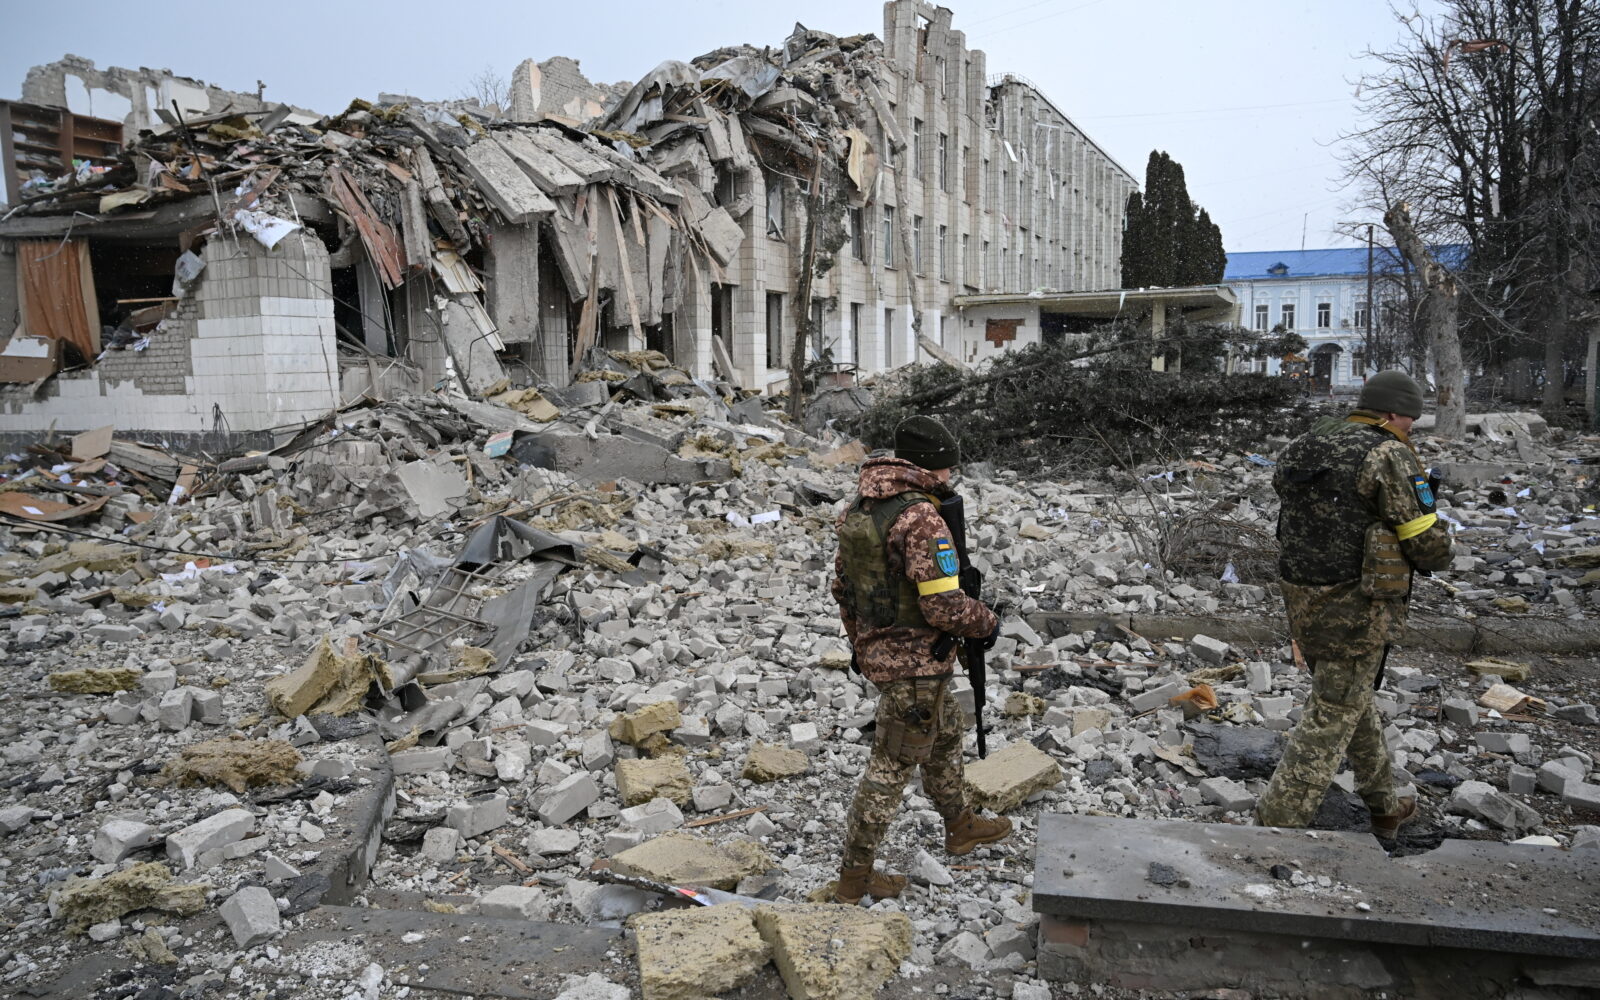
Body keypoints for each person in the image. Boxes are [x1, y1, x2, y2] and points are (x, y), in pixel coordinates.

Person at [1256, 370, 1452, 839]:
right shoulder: (1387, 453)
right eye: (1410, 420)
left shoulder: (1308, 443)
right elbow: (1426, 544)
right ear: (1393, 412)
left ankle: (1385, 808)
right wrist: (1444, 549)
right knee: (1332, 712)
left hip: (1302, 594)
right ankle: (1272, 829)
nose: (1411, 428)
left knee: (1349, 698)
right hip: (1358, 604)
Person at [829, 415, 1011, 904]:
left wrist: (864, 645)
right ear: (930, 466)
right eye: (947, 468)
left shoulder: (860, 508)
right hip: (916, 666)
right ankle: (854, 879)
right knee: (890, 768)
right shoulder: (921, 518)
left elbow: (843, 589)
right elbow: (943, 606)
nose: (950, 477)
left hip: (890, 655)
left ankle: (960, 824)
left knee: (946, 734)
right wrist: (986, 623)